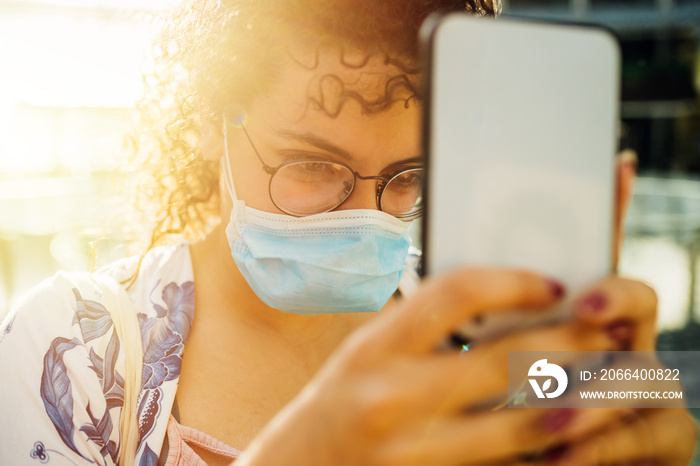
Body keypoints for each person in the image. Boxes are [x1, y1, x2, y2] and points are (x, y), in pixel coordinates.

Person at [0, 0, 697, 464]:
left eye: (408, 175)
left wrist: (638, 419)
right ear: (216, 125)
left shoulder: (488, 335)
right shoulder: (72, 350)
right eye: (311, 164)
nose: (363, 212)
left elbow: (622, 406)